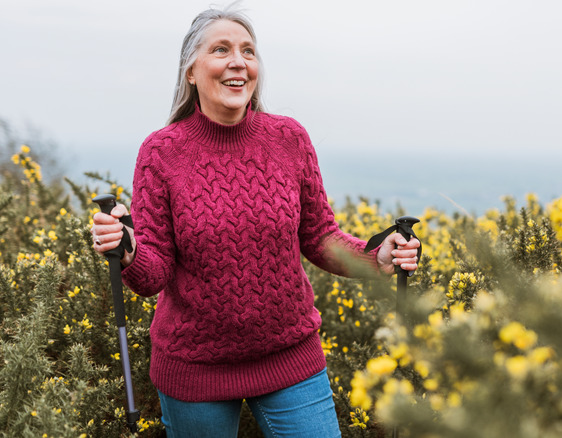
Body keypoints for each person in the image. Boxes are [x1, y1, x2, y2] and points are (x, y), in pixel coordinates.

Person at [90, 4, 420, 437]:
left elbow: (320, 236)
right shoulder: (161, 153)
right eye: (221, 50)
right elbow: (153, 274)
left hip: (291, 358)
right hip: (195, 370)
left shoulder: (289, 139)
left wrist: (376, 257)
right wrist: (128, 249)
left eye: (248, 51)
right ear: (191, 72)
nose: (238, 62)